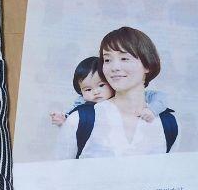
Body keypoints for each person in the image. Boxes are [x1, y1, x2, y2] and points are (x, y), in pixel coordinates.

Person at [53, 29, 178, 158]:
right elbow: (61, 169)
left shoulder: (169, 123)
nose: (114, 67)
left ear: (147, 65)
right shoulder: (81, 119)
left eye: (124, 58)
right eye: (107, 60)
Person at [49, 55, 168, 126]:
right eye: (88, 89)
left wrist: (152, 110)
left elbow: (161, 97)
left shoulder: (126, 94)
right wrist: (63, 118)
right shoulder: (82, 102)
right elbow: (71, 113)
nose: (95, 92)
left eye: (101, 85)